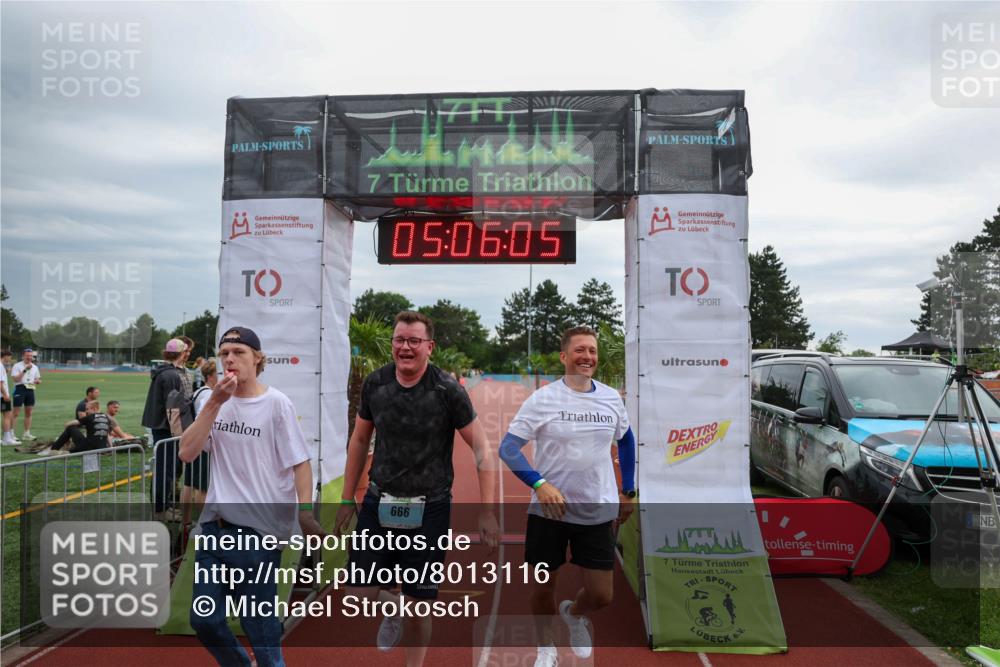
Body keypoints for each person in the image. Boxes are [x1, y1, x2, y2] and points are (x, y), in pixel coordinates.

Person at [334, 311, 499, 667]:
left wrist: (487, 510)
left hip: (431, 507)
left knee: (420, 605)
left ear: (429, 347)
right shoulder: (376, 384)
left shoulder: (447, 391)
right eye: (399, 340)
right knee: (358, 593)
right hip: (380, 501)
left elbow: (483, 449)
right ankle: (393, 610)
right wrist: (348, 497)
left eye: (413, 341)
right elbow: (360, 439)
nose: (405, 347)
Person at [180, 327, 321, 667]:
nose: (230, 359)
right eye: (224, 352)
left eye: (239, 352)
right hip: (215, 530)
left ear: (257, 359)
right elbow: (186, 452)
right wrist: (215, 401)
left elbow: (300, 463)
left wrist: (304, 513)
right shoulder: (208, 400)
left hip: (259, 535)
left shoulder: (276, 404)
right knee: (205, 621)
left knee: (261, 632)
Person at [499, 325, 636, 667]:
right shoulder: (543, 399)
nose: (587, 356)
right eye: (579, 350)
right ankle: (547, 649)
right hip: (549, 515)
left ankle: (574, 615)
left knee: (601, 596)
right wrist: (539, 484)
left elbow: (627, 441)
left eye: (592, 350)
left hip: (597, 511)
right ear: (564, 356)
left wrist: (629, 488)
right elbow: (509, 448)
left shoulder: (610, 398)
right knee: (543, 588)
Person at [141, 338, 189, 519]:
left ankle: (162, 507)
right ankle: (161, 510)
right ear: (182, 353)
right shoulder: (171, 375)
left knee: (164, 469)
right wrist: (179, 434)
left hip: (160, 426)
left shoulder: (164, 372)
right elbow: (173, 409)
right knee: (165, 471)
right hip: (167, 428)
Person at [180, 357, 216, 526]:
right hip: (202, 444)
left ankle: (186, 521)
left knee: (189, 483)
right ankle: (203, 522)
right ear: (210, 376)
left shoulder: (199, 391)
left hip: (194, 442)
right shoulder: (208, 394)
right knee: (201, 486)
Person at [38, 400, 113, 456]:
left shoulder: (89, 417)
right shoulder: (106, 417)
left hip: (88, 448)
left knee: (71, 428)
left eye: (87, 409)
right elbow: (107, 435)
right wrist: (111, 449)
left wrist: (66, 437)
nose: (86, 411)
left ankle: (53, 450)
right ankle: (70, 451)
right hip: (101, 449)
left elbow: (68, 424)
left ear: (94, 409)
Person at [10, 348, 42, 441]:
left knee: (29, 412)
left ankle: (26, 433)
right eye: (27, 356)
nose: (29, 357)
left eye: (31, 356)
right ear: (23, 356)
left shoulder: (35, 367)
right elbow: (16, 380)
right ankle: (11, 434)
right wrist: (25, 370)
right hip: (20, 389)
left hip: (30, 389)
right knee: (15, 413)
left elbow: (38, 378)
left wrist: (38, 381)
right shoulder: (17, 366)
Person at [1, 350, 15, 445]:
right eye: (10, 357)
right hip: (2, 396)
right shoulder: (0, 366)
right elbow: (0, 383)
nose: (10, 359)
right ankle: (7, 439)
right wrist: (5, 395)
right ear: (5, 356)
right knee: (7, 416)